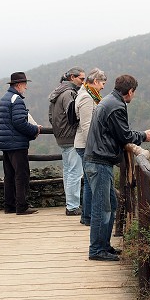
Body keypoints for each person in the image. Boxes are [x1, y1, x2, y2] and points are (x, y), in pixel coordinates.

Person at [84, 74, 150, 261]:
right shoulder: (116, 106)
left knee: (110, 204)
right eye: (134, 93)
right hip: (99, 161)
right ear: (131, 91)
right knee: (103, 207)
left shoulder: (109, 100)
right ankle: (97, 250)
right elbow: (124, 135)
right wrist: (144, 135)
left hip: (97, 159)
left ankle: (104, 246)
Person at [0, 71, 41, 215]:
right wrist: (35, 129)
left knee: (9, 175)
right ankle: (21, 206)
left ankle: (9, 206)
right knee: (21, 175)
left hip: (6, 143)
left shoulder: (5, 98)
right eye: (25, 84)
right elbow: (19, 122)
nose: (26, 87)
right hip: (17, 143)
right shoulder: (17, 100)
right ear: (19, 85)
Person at [48, 67, 86, 216]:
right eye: (81, 79)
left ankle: (70, 204)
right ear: (72, 77)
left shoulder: (57, 93)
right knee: (75, 173)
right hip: (71, 137)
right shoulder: (69, 93)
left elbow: (51, 117)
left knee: (68, 172)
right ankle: (72, 206)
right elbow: (73, 115)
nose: (83, 82)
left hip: (60, 137)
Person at [74, 68, 107, 226]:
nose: (103, 87)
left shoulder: (88, 94)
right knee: (90, 181)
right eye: (102, 83)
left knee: (88, 181)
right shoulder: (87, 98)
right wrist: (95, 146)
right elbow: (86, 126)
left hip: (84, 145)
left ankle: (86, 216)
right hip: (86, 145)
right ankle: (88, 217)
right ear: (95, 82)